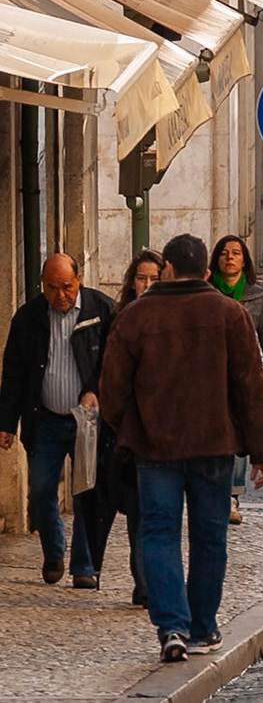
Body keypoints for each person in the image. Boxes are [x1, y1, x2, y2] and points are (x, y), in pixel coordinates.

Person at [99, 233, 263, 663]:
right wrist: (262, 449)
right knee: (209, 537)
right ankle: (202, 626)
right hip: (212, 446)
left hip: (154, 449)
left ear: (169, 269)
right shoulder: (230, 314)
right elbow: (250, 386)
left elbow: (112, 391)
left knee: (158, 533)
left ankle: (171, 627)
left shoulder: (137, 317)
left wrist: (132, 428)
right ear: (207, 270)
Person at [0, 252, 115, 588]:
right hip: (45, 418)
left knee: (85, 492)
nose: (61, 295)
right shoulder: (28, 318)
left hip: (86, 420)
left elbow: (114, 362)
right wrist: (6, 422)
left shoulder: (101, 310)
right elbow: (14, 374)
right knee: (40, 491)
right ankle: (54, 551)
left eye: (66, 286)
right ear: (42, 286)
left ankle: (84, 565)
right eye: (52, 288)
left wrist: (95, 390)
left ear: (78, 279)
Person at [210, 235, 263, 526]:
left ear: (245, 261)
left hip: (241, 376)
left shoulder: (256, 298)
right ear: (216, 259)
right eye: (224, 253)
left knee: (239, 434)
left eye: (236, 254)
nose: (230, 258)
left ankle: (232, 495)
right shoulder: (205, 293)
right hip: (210, 378)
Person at [106, 251, 162, 606]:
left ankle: (152, 582)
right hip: (132, 434)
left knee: (158, 515)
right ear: (131, 281)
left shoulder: (171, 319)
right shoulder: (120, 321)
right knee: (140, 513)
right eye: (142, 278)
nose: (147, 285)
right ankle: (144, 585)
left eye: (155, 279)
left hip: (164, 434)